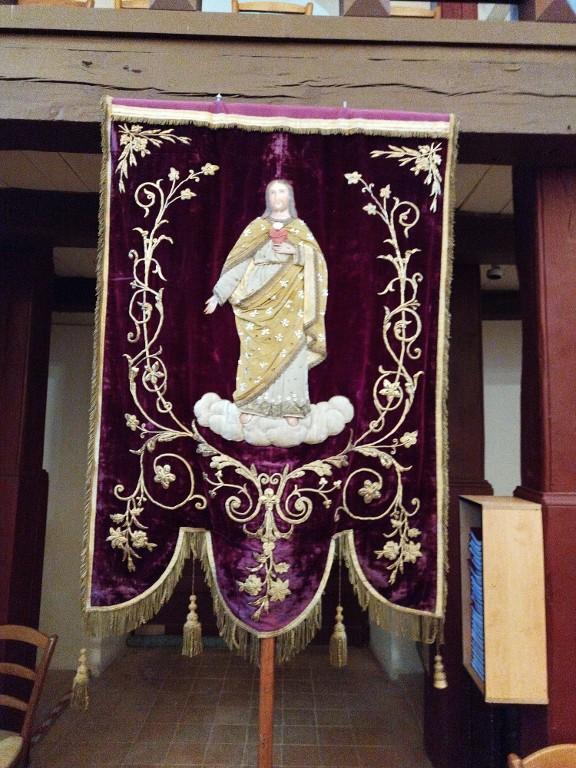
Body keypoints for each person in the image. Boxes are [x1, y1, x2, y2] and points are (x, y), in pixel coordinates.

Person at [204, 179, 328, 427]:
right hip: (256, 300)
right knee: (254, 354)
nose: (277, 196)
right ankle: (251, 403)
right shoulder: (256, 227)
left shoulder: (300, 228)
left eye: (281, 191)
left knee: (291, 351)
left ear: (289, 197)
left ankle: (291, 406)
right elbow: (238, 263)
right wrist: (219, 295)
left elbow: (318, 262)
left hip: (291, 300)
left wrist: (296, 252)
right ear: (267, 198)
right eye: (272, 192)